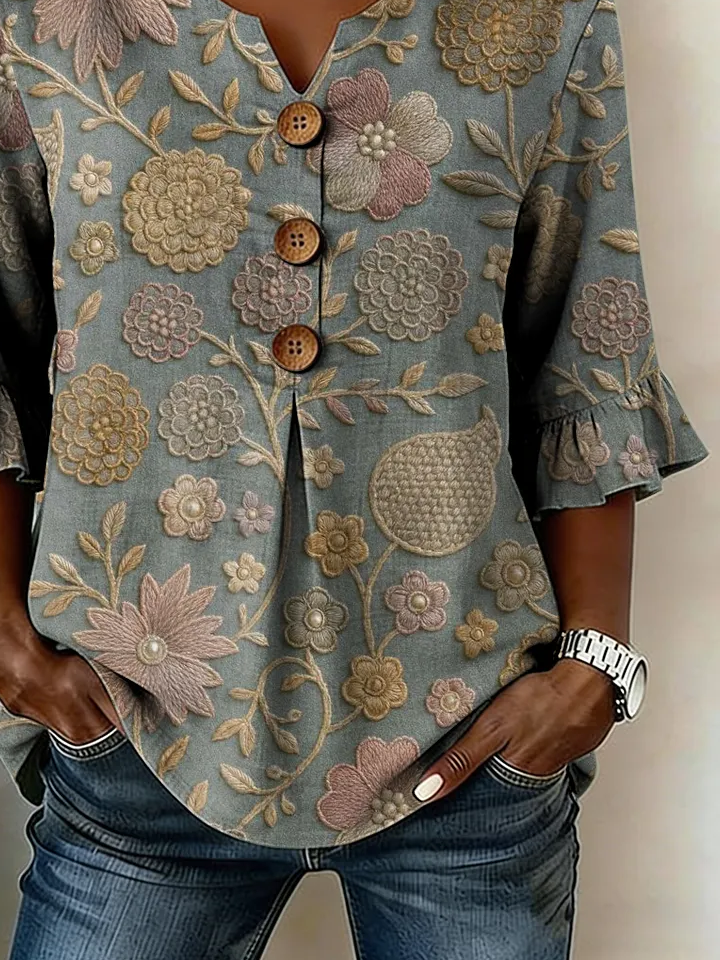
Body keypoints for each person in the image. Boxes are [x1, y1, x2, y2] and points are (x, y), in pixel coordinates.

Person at [0, 0, 709, 957]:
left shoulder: (541, 23)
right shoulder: (46, 24)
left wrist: (596, 669)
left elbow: (589, 350)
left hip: (468, 741)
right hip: (133, 729)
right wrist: (9, 645)